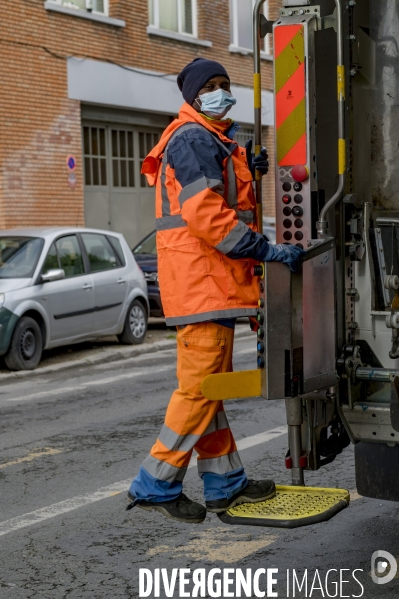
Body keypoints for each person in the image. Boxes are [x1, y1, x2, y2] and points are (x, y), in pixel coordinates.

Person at [126, 58, 305, 523]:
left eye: (226, 84)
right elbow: (206, 215)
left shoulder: (209, 139)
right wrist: (262, 249)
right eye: (211, 86)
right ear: (192, 96)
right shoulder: (191, 139)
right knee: (199, 391)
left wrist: (247, 165)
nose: (222, 92)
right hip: (203, 286)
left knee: (210, 390)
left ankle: (225, 482)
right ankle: (156, 482)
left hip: (211, 286)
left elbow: (223, 194)